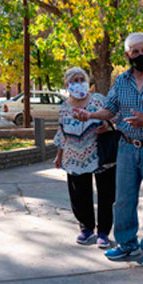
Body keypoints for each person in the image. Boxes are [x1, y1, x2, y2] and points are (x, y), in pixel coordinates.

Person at [73, 33, 143, 268]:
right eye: (135, 52)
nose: (141, 55)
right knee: (122, 201)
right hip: (126, 148)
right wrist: (90, 115)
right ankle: (126, 244)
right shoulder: (121, 82)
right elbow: (109, 110)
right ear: (127, 55)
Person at [53, 67, 116, 248]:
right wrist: (59, 156)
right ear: (66, 84)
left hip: (100, 155)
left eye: (81, 79)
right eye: (74, 80)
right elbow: (61, 133)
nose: (78, 83)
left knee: (106, 195)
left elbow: (114, 117)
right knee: (79, 195)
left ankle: (103, 231)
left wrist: (106, 123)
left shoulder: (98, 100)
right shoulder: (64, 108)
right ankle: (86, 227)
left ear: (87, 82)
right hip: (74, 157)